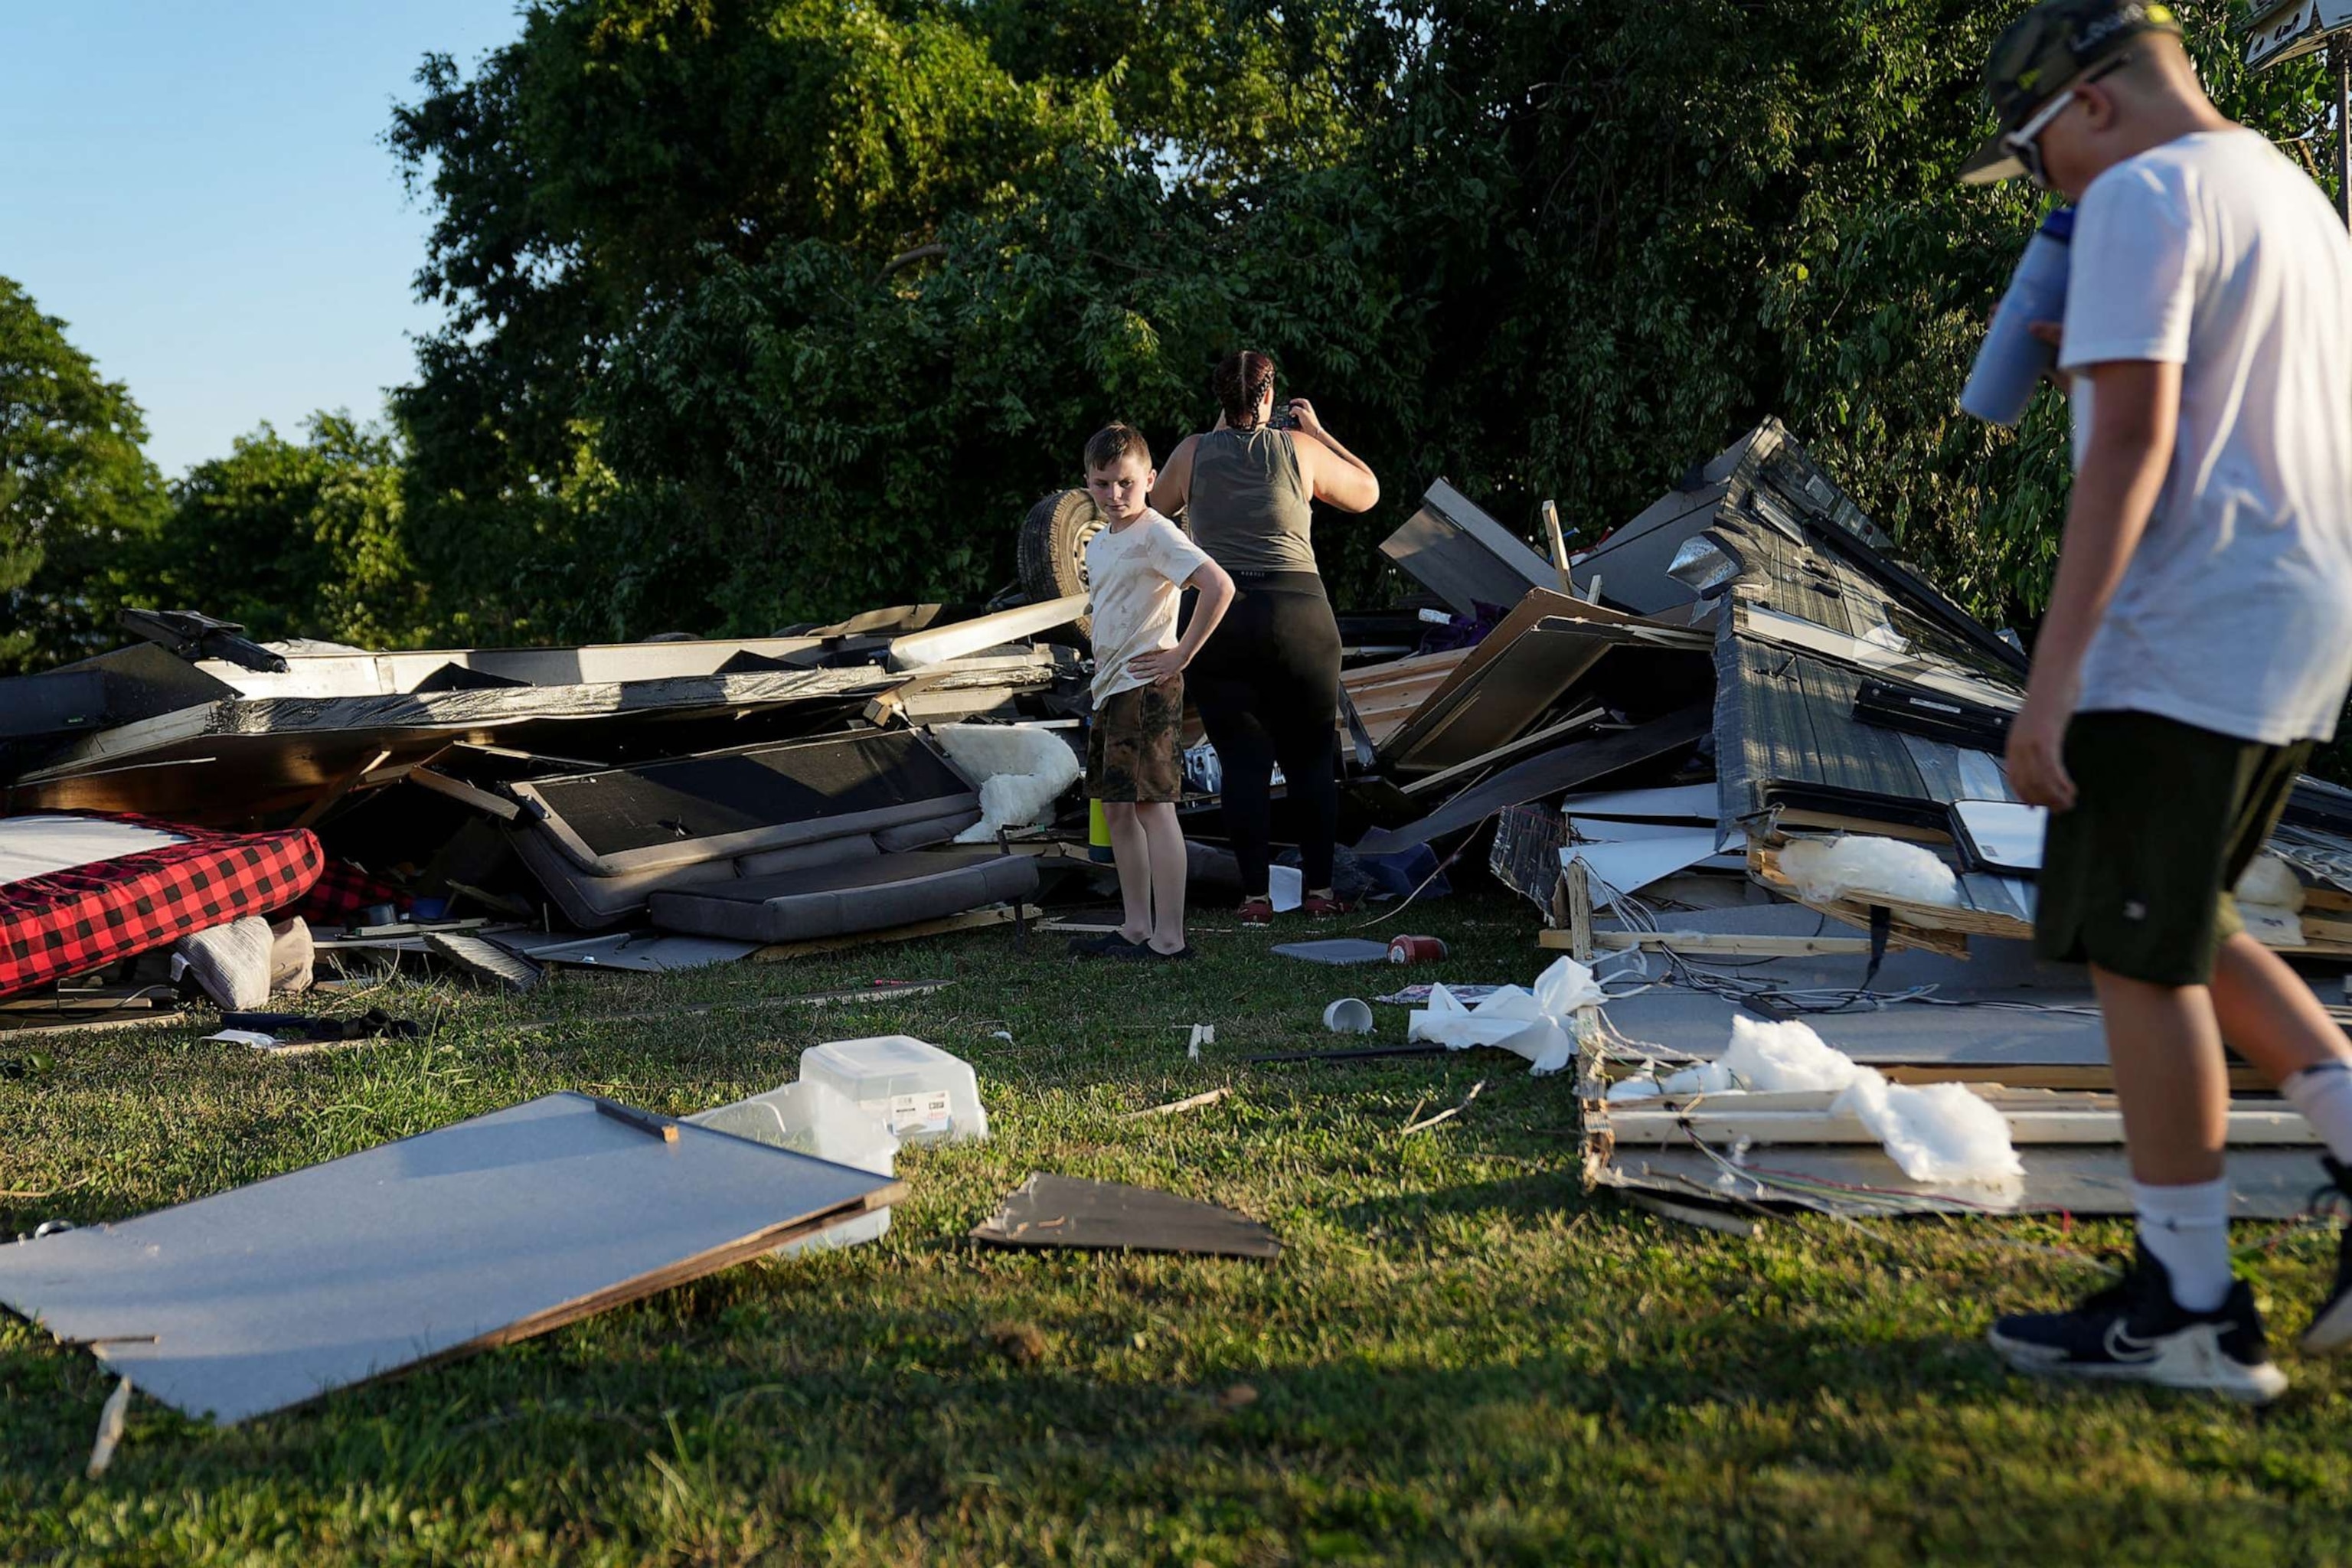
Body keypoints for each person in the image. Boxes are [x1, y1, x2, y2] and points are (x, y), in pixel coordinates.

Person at [1961, 0, 2352, 1400]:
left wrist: (2047, 690)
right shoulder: (2291, 193)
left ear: (2090, 107)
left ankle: (2192, 1306)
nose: (2048, 192)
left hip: (2182, 628)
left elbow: (2125, 446)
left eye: (2037, 156)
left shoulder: (2138, 191)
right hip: (2297, 625)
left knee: (2138, 955)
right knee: (2184, 919)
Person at [1151, 352, 1380, 924]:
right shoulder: (1301, 451)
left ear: (1219, 397)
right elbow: (1369, 492)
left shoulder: (1191, 453)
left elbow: (1150, 517)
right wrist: (1322, 434)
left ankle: (1255, 899)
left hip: (1220, 617)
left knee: (1243, 765)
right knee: (1308, 761)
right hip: (1299, 616)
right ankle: (1321, 893)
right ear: (1271, 395)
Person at [1069, 423, 1235, 961]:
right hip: (1109, 688)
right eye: (1101, 484)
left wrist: (1182, 653)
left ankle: (1170, 938)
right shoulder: (1098, 544)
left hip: (1147, 686)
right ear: (1087, 483)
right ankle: (1135, 926)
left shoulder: (1157, 532)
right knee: (1117, 810)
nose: (1115, 496)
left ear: (1150, 479)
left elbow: (1218, 585)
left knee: (1152, 809)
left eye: (1126, 483)